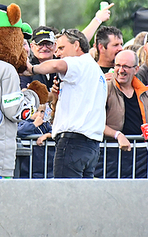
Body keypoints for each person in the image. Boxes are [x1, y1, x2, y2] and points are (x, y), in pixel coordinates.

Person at [31, 29, 106, 178]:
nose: (57, 53)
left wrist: (30, 69)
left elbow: (56, 66)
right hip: (91, 146)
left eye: (61, 48)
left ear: (76, 45)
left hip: (73, 142)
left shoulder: (78, 62)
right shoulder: (94, 69)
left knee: (65, 197)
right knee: (82, 198)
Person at [102, 50, 148, 178]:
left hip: (140, 157)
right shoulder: (105, 89)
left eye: (126, 67)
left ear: (136, 69)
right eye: (118, 65)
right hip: (111, 155)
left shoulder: (144, 92)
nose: (121, 70)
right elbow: (94, 122)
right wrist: (117, 135)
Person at [21, 26, 58, 91]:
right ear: (32, 46)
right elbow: (23, 92)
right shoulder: (25, 69)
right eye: (40, 44)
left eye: (48, 44)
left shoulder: (62, 66)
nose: (44, 48)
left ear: (55, 46)